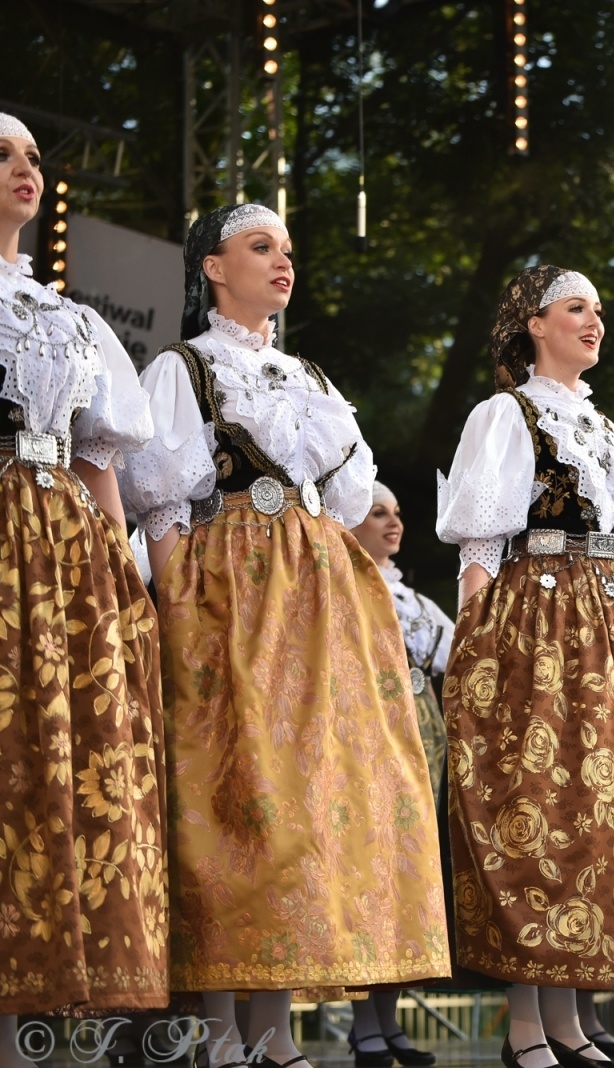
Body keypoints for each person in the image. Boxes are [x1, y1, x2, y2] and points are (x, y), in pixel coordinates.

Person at [122, 202, 449, 1068]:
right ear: (213, 270)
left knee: (298, 802)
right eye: (260, 248)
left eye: (288, 251)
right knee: (233, 793)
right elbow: (158, 501)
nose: (282, 263)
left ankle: (275, 1029)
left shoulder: (310, 377)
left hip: (313, 594)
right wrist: (181, 603)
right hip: (226, 584)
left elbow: (347, 499)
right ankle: (222, 1029)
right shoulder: (182, 368)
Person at [436, 264, 614, 1068]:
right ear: (534, 325)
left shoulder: (605, 430)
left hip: (607, 620)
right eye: (576, 308)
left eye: (598, 310)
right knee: (538, 804)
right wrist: (476, 648)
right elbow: (481, 546)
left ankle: (572, 1020)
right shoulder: (506, 414)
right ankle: (525, 1028)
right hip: (537, 620)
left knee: (596, 812)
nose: (594, 322)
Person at [0, 111, 166, 1055]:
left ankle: (42, 1006)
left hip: (64, 546)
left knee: (63, 754)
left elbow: (100, 458)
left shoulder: (72, 320)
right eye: (2, 155)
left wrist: (126, 578)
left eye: (33, 155)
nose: (27, 169)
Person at [346, 481, 450, 1068]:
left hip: (422, 734)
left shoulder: (414, 602)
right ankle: (365, 1025)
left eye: (398, 513)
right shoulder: (347, 588)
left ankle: (390, 1020)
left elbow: (452, 654)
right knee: (370, 867)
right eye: (378, 512)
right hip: (369, 732)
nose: (394, 523)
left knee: (410, 871)